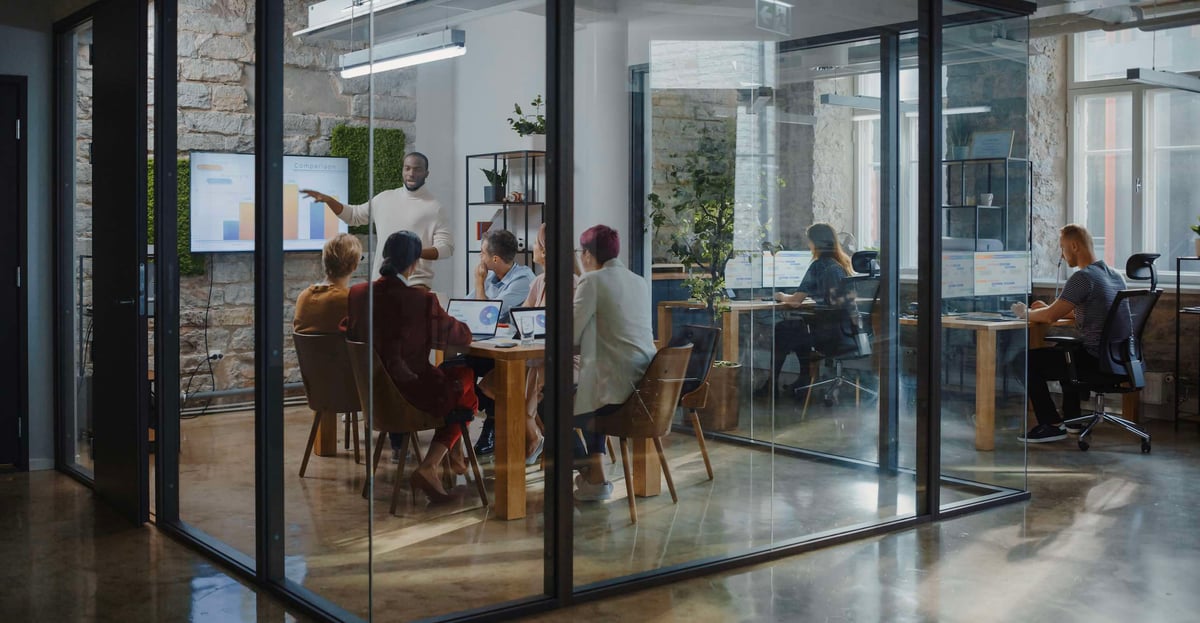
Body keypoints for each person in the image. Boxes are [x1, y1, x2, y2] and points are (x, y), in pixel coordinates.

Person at [342, 231, 479, 503]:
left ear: (385, 257)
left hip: (374, 398)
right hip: (412, 397)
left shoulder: (357, 294)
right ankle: (431, 465)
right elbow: (461, 337)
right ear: (415, 263)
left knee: (457, 385)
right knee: (466, 379)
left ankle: (450, 457)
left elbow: (348, 328)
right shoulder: (421, 300)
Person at [1011, 224, 1126, 443]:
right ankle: (1072, 420)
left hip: (1094, 360)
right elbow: (1086, 311)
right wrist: (1044, 309)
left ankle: (1051, 424)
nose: (1062, 256)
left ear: (1074, 246)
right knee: (1066, 350)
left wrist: (1024, 312)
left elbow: (1049, 318)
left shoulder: (1082, 278)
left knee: (1023, 361)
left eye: (1062, 248)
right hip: (1118, 358)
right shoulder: (1114, 275)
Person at [477, 224, 580, 465]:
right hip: (537, 358)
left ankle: (531, 438)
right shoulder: (540, 281)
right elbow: (521, 319)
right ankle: (533, 433)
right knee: (492, 383)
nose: (531, 247)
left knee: (509, 385)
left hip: (563, 362)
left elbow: (568, 332)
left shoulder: (571, 283)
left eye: (535, 243)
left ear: (544, 251)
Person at [572, 225, 657, 501]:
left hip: (614, 396)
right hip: (643, 389)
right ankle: (595, 473)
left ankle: (588, 469)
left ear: (586, 254)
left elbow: (569, 334)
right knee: (587, 394)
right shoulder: (638, 281)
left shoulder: (592, 282)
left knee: (549, 403)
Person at [302, 152, 451, 289]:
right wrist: (329, 200)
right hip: (380, 283)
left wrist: (414, 252)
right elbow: (353, 216)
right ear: (402, 170)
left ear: (426, 173)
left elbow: (446, 248)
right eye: (407, 168)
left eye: (417, 169)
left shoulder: (434, 208)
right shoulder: (384, 198)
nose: (411, 174)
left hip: (415, 286)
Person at [757, 222, 854, 399]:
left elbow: (794, 302)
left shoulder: (819, 265)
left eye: (809, 241)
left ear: (815, 243)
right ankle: (803, 381)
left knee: (784, 330)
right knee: (795, 328)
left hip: (828, 337)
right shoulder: (843, 264)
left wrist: (780, 296)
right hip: (847, 334)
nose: (808, 245)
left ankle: (773, 386)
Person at [468, 228, 534, 456]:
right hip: (487, 348)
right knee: (459, 366)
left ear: (494, 259)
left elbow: (487, 314)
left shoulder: (523, 280)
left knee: (500, 372)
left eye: (482, 254)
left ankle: (491, 427)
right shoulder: (493, 277)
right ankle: (462, 413)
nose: (480, 258)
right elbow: (468, 308)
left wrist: (478, 283)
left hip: (517, 356)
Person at [293, 233, 361, 334]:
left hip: (309, 350)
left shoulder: (303, 297)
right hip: (339, 350)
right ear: (354, 265)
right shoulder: (349, 300)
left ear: (324, 260)